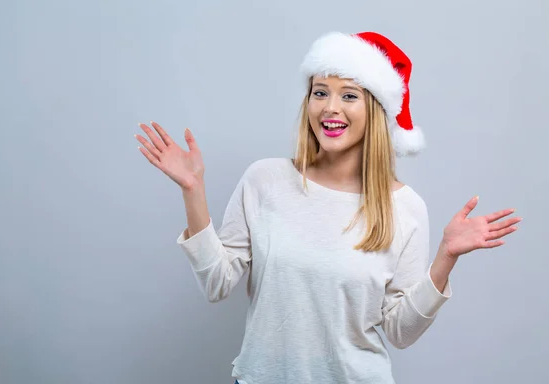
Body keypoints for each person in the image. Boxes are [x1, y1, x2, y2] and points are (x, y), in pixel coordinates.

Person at [135, 31, 521, 384]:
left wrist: (445, 258)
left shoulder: (404, 208)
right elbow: (217, 284)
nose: (330, 108)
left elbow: (401, 332)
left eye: (349, 95)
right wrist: (193, 189)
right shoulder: (264, 180)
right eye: (320, 92)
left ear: (375, 110)